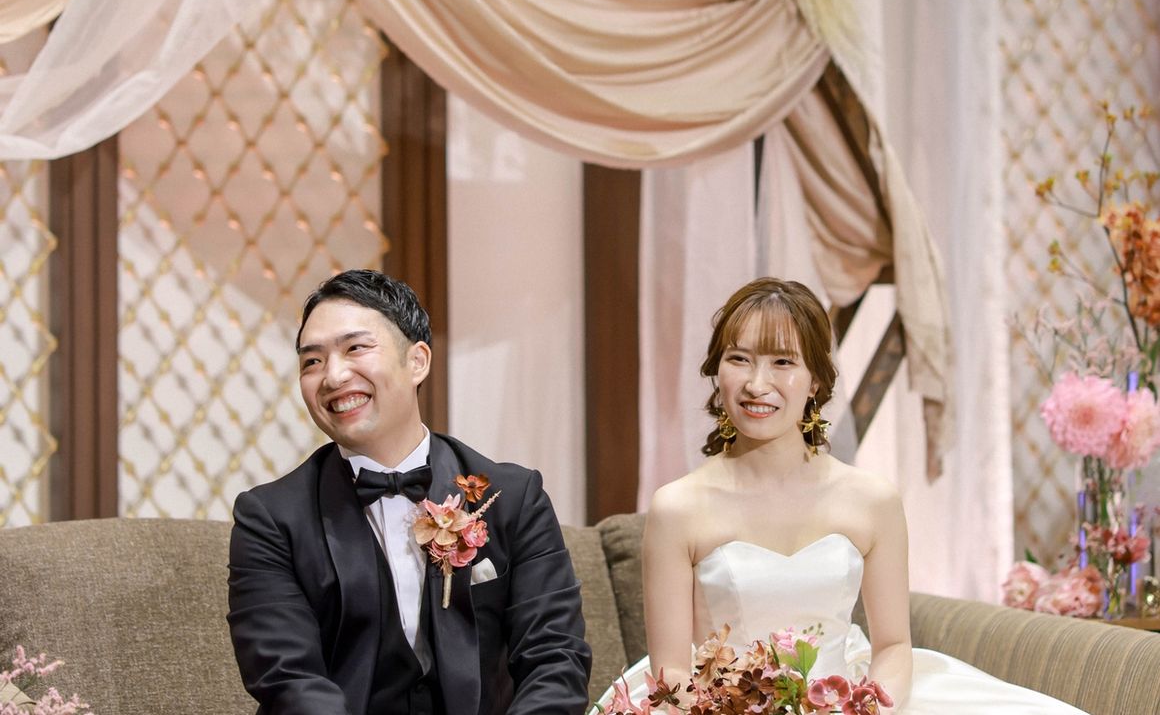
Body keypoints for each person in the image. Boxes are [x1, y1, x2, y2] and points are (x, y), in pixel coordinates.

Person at [595, 277, 1088, 714]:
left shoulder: (872, 501)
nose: (757, 384)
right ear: (717, 371)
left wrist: (864, 710)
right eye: (739, 359)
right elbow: (671, 673)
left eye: (782, 362)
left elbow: (893, 646)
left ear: (815, 380)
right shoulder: (678, 508)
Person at [227, 268, 592, 715]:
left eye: (355, 348)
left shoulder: (512, 498)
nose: (333, 376)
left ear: (417, 361)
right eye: (312, 362)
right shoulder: (270, 518)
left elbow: (554, 658)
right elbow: (288, 680)